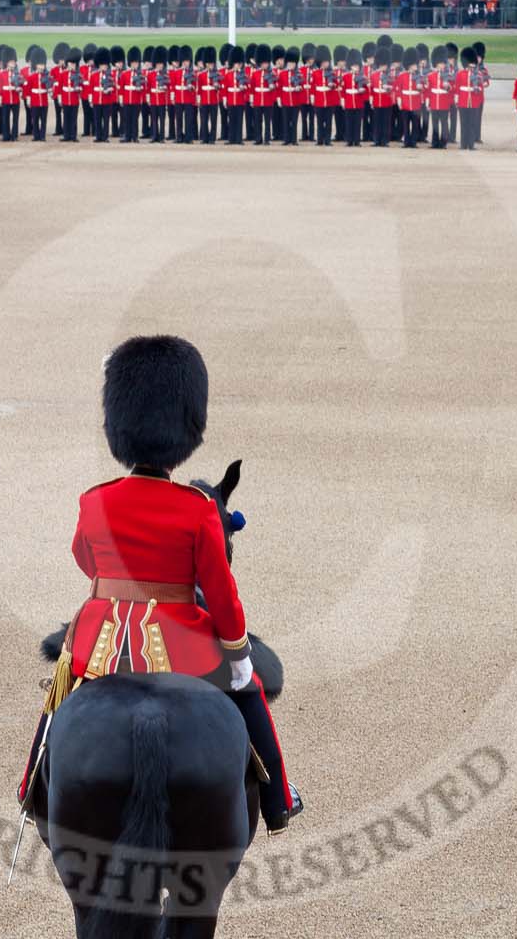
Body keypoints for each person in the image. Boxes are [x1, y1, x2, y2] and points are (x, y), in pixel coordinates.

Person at [16, 336, 304, 833]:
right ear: (185, 434)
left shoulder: (95, 501)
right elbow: (219, 592)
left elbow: (85, 560)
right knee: (248, 688)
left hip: (101, 639)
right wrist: (237, 658)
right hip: (181, 642)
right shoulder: (196, 509)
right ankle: (279, 797)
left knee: (61, 694)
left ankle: (31, 786)